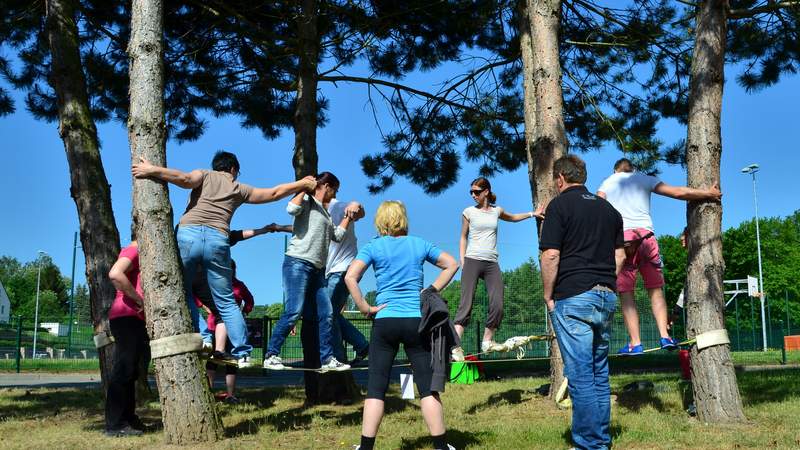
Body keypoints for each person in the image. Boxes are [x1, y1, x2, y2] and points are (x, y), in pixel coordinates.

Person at [132, 151, 315, 368]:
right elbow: (274, 193)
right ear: (234, 169)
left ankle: (204, 338)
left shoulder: (204, 174)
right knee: (226, 300)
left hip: (188, 235)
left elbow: (185, 179)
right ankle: (243, 353)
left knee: (183, 291)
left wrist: (152, 170)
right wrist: (301, 184)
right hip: (218, 238)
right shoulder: (238, 188)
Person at [344, 200, 459, 450]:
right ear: (403, 219)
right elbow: (453, 264)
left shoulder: (373, 246)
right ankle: (441, 447)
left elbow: (350, 277)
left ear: (380, 221)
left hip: (384, 321)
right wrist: (431, 290)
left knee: (376, 387)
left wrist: (364, 307)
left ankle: (365, 448)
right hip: (416, 321)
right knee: (427, 389)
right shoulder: (419, 243)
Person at [540, 155, 625, 450]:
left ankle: (590, 444)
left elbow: (551, 255)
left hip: (573, 297)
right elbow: (621, 256)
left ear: (560, 178)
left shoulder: (559, 206)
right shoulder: (610, 210)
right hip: (606, 295)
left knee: (580, 375)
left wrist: (548, 294)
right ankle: (600, 439)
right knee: (599, 371)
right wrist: (604, 282)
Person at [597, 158, 722, 355]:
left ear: (615, 171)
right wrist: (709, 193)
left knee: (627, 295)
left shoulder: (608, 183)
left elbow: (597, 208)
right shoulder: (645, 178)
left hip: (622, 242)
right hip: (646, 239)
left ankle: (635, 343)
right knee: (655, 291)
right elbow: (678, 192)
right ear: (633, 169)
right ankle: (665, 335)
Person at [263, 172, 362, 372]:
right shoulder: (307, 201)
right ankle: (271, 354)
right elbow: (291, 208)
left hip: (318, 270)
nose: (334, 195)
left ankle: (327, 359)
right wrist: (303, 186)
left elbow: (336, 235)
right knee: (294, 311)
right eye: (334, 190)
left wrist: (347, 217)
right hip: (298, 263)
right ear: (326, 186)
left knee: (326, 314)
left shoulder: (325, 213)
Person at [451, 177, 543, 361]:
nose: (473, 195)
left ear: (486, 192)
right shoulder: (468, 212)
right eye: (471, 192)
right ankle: (455, 346)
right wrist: (463, 260)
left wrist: (533, 214)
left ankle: (487, 341)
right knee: (466, 304)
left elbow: (513, 217)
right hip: (472, 259)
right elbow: (463, 237)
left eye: (476, 192)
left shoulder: (496, 211)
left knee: (498, 303)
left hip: (491, 262)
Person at [105, 238, 149, 437]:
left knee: (131, 371)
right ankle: (115, 424)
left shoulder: (144, 251)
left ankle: (129, 418)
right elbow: (115, 274)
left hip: (134, 318)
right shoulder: (134, 249)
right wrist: (139, 300)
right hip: (126, 317)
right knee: (124, 369)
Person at [200, 260, 254, 404]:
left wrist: (243, 312)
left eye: (231, 268)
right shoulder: (212, 282)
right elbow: (199, 297)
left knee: (232, 362)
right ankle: (209, 394)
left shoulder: (239, 285)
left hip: (233, 330)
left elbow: (249, 302)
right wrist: (207, 307)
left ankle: (231, 395)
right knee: (212, 361)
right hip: (214, 326)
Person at [324, 195, 369, 364]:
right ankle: (361, 344)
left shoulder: (338, 206)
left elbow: (359, 210)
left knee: (327, 313)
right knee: (331, 313)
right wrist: (277, 227)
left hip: (343, 269)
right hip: (334, 270)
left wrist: (356, 204)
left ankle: (337, 356)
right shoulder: (321, 211)